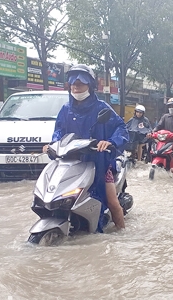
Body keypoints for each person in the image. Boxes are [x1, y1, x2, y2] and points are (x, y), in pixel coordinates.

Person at [43, 64, 128, 230]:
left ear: (90, 86)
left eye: (80, 84)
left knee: (112, 202)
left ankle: (122, 233)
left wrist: (110, 142)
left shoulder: (102, 108)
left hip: (99, 163)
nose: (76, 88)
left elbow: (121, 128)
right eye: (73, 85)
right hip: (70, 163)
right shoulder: (66, 110)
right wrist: (52, 145)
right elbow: (59, 132)